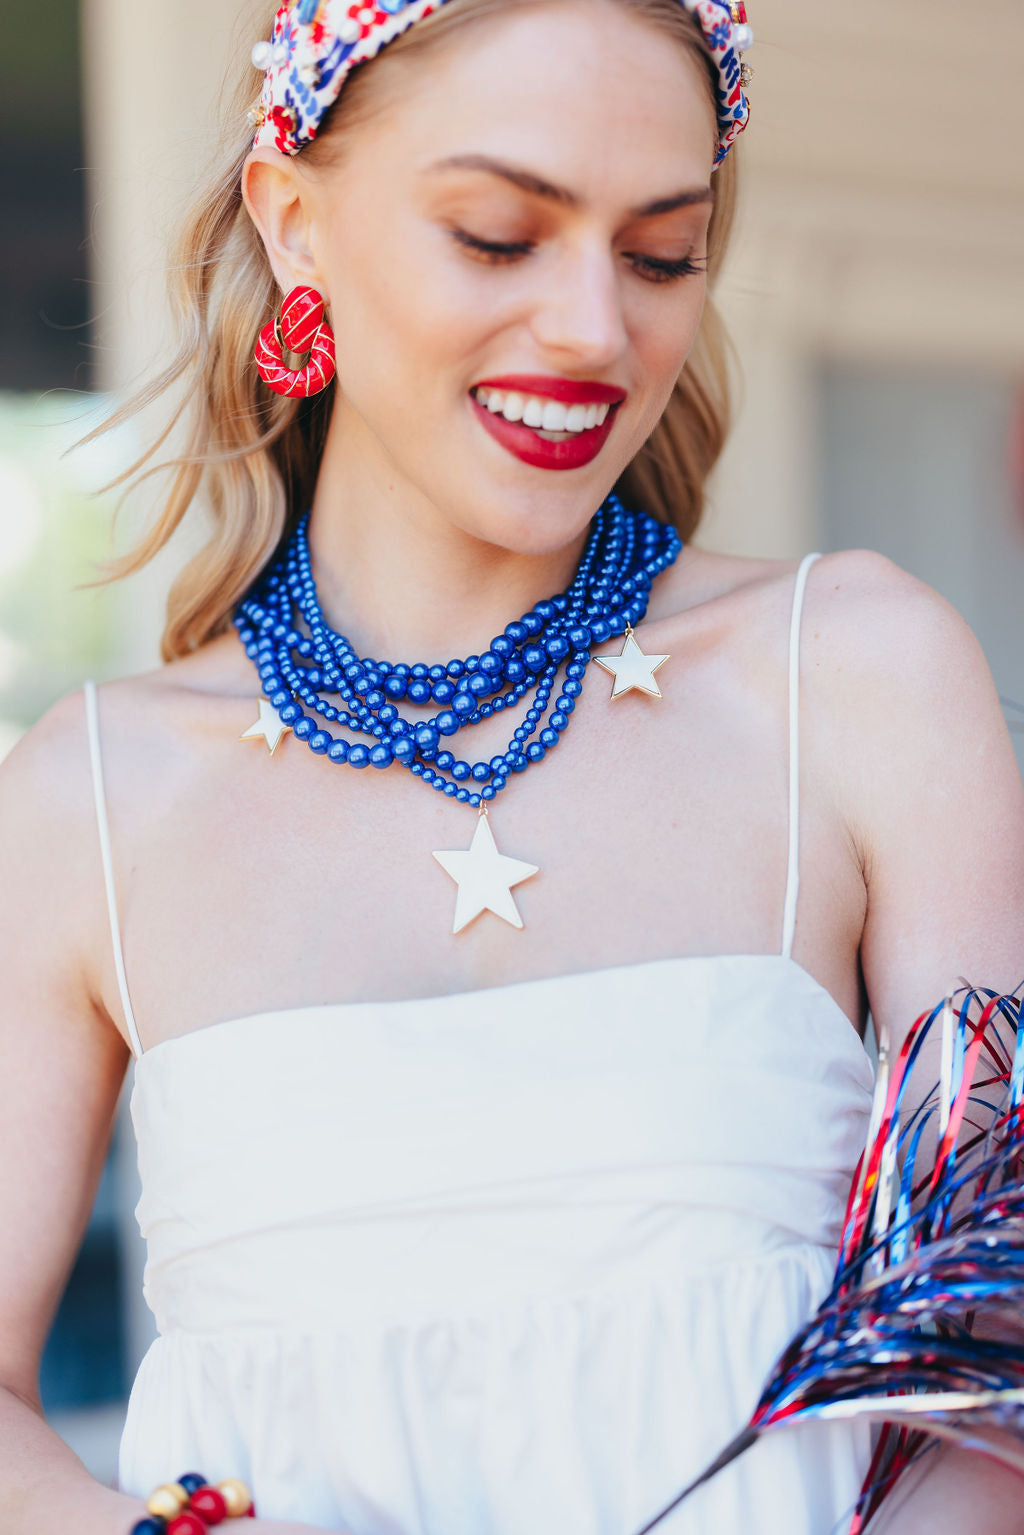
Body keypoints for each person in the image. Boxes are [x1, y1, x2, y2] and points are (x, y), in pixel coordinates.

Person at [1, 1, 1022, 1532]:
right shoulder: (91, 798)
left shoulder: (862, 672)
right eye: (497, 235)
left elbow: (989, 1342)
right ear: (296, 225)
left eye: (661, 252)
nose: (596, 331)